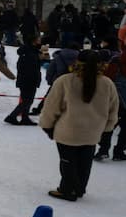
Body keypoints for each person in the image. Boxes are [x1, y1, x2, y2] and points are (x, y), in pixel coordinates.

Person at [39, 50, 119, 201]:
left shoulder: (65, 80)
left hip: (67, 131)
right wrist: (107, 129)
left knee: (67, 162)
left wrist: (47, 126)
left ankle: (67, 190)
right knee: (85, 163)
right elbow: (113, 110)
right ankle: (80, 188)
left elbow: (51, 107)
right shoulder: (107, 83)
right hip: (93, 132)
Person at [31, 41, 81, 116]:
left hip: (58, 79)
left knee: (49, 96)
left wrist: (49, 80)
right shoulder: (80, 57)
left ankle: (39, 109)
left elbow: (51, 69)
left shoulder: (59, 55)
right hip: (75, 80)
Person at [5, 33, 42, 126]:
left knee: (28, 100)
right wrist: (33, 78)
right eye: (38, 39)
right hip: (28, 80)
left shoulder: (32, 51)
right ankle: (12, 116)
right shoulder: (29, 53)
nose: (40, 41)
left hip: (28, 80)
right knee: (27, 100)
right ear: (33, 41)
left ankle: (25, 117)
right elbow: (29, 68)